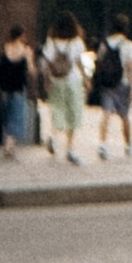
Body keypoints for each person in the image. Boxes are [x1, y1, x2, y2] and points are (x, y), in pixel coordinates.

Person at [39, 19, 90, 159]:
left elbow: (47, 63)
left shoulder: (51, 41)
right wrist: (86, 79)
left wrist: (47, 80)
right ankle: (70, 148)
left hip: (56, 81)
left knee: (57, 110)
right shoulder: (77, 42)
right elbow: (79, 62)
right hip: (73, 80)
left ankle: (54, 138)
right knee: (73, 113)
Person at [90, 17, 132, 158]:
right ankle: (128, 145)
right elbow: (129, 68)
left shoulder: (105, 44)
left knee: (106, 113)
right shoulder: (129, 45)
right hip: (122, 83)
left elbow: (98, 63)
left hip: (107, 83)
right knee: (124, 116)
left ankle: (103, 145)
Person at [0, 29, 34, 149]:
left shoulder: (5, 47)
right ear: (21, 36)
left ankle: (6, 139)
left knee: (6, 113)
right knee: (16, 115)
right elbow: (31, 69)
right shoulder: (26, 50)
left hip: (5, 86)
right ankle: (9, 144)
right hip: (19, 86)